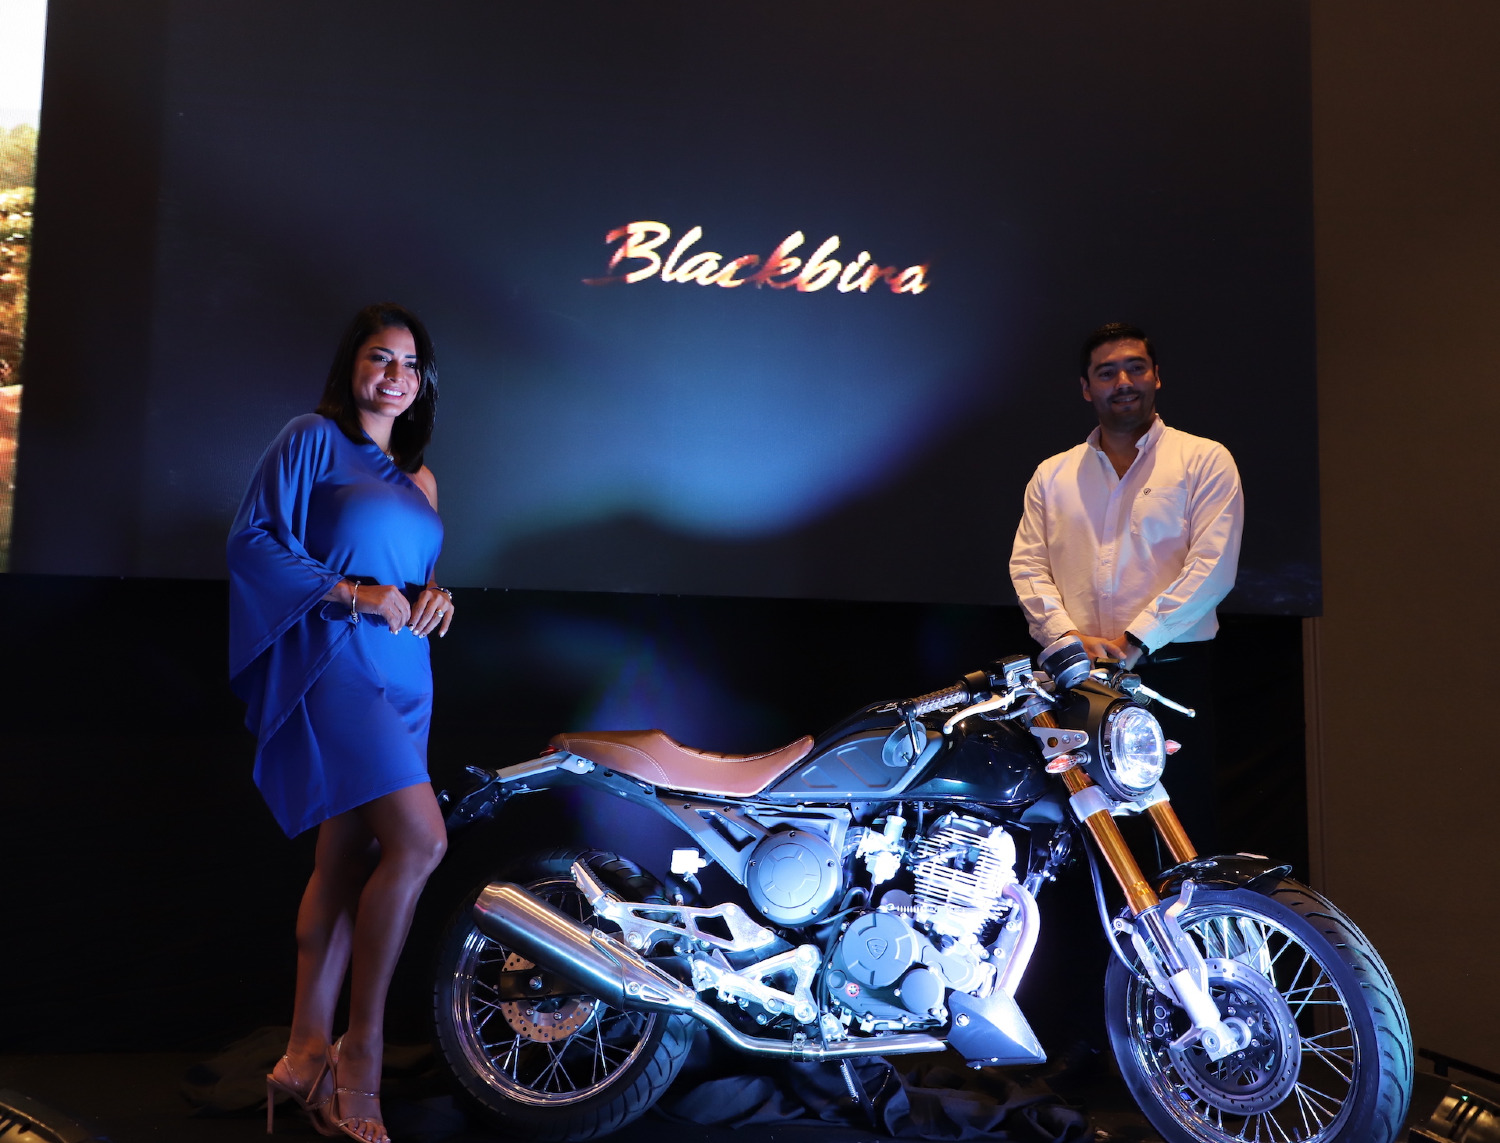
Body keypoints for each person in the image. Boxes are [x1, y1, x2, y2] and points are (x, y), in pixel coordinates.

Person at [227, 303, 456, 1143]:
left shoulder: (422, 480)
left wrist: (435, 596)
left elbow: (412, 573)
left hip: (408, 676)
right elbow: (251, 541)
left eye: (410, 363)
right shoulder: (311, 439)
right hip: (339, 661)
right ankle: (360, 1054)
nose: (395, 375)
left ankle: (299, 1056)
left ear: (423, 382)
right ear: (352, 366)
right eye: (379, 357)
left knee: (344, 859)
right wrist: (351, 591)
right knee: (420, 842)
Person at [1009, 322, 1243, 848]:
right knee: (1078, 831)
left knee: (1178, 829)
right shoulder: (1053, 474)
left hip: (1169, 669)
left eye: (1135, 368)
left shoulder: (1203, 460)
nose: (1123, 382)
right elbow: (1028, 566)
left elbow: (1214, 566)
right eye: (1106, 372)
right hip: (1075, 673)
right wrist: (1066, 639)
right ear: (1086, 387)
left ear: (1157, 376)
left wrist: (1136, 640)